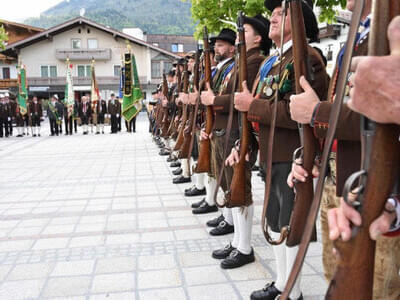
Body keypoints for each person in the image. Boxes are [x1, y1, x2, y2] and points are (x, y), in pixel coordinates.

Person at [232, 1, 328, 299]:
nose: (272, 18)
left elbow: (302, 113)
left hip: (293, 153)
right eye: (272, 13)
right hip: (272, 153)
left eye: (280, 13)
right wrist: (246, 144)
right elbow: (259, 110)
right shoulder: (272, 62)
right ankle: (281, 283)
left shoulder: (307, 58)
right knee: (275, 222)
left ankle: (292, 290)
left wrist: (253, 106)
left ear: (300, 22)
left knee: (291, 224)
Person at [210, 15, 273, 269]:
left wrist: (211, 100)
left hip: (239, 131)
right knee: (231, 187)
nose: (238, 37)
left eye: (243, 32)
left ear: (258, 38)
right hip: (230, 130)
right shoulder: (241, 61)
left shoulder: (255, 61)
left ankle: (244, 246)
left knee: (240, 189)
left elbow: (240, 99)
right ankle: (238, 242)